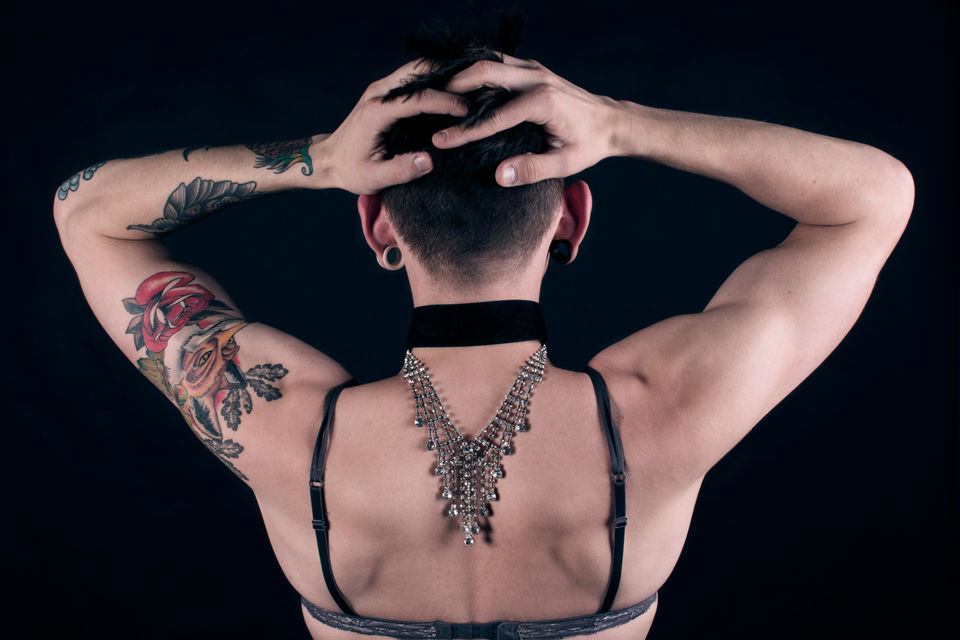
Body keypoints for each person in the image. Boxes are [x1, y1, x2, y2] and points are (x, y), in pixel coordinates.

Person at [53, 17, 913, 640]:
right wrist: (619, 124)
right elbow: (875, 198)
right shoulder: (665, 410)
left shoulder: (284, 426)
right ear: (573, 216)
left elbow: (86, 211)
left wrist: (320, 159)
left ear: (377, 226)